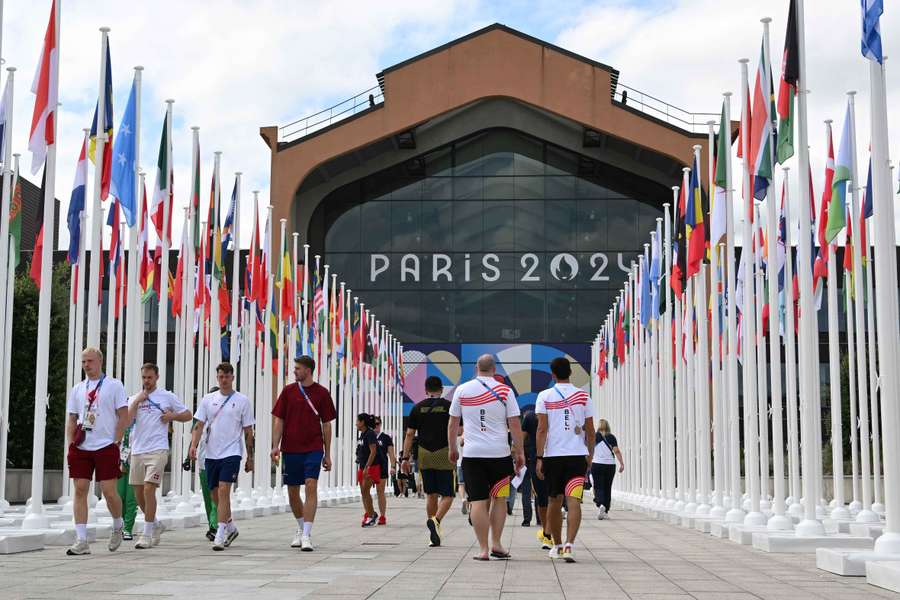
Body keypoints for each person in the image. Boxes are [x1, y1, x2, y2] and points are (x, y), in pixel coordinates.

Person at [448, 354, 525, 561]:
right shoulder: (505, 391)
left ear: (476, 368)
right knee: (499, 498)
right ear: (494, 369)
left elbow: (453, 423)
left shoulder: (462, 390)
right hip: (499, 454)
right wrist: (519, 452)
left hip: (472, 455)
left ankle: (483, 549)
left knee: (478, 501)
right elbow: (515, 424)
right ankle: (497, 544)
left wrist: (452, 448)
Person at [65, 347, 129, 556]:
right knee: (80, 489)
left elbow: (123, 415)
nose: (86, 365)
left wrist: (117, 441)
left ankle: (118, 525)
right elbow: (72, 418)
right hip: (82, 446)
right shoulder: (77, 389)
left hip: (105, 445)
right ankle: (81, 539)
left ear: (100, 361)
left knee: (109, 492)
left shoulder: (113, 385)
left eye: (90, 361)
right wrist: (70, 443)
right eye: (83, 362)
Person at [270, 355, 336, 552]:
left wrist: (327, 454)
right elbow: (279, 421)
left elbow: (327, 425)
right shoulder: (288, 391)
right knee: (292, 491)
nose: (294, 371)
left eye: (297, 368)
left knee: (310, 485)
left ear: (308, 370)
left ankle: (306, 534)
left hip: (313, 448)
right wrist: (275, 446)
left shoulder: (322, 393)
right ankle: (301, 527)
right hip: (290, 448)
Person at [535, 357, 596, 563]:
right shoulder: (583, 396)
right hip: (577, 456)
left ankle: (558, 545)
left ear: (553, 374)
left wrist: (539, 457)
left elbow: (542, 429)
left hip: (553, 457)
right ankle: (570, 544)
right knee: (574, 500)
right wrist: (590, 455)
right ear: (570, 372)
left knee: (554, 500)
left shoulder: (544, 396)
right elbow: (590, 430)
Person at [189, 362, 255, 551]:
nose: (224, 380)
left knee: (225, 490)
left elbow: (249, 431)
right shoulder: (208, 399)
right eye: (221, 376)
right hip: (211, 453)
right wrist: (193, 446)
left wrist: (250, 457)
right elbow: (199, 425)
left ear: (233, 378)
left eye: (227, 376)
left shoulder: (242, 400)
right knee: (215, 495)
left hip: (232, 452)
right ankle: (231, 527)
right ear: (217, 378)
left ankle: (220, 533)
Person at [127, 362, 192, 549]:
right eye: (144, 377)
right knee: (138, 494)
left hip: (158, 449)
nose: (146, 381)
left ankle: (146, 533)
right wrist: (138, 400)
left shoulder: (167, 396)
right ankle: (155, 524)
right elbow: (127, 420)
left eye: (149, 377)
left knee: (149, 489)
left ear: (157, 377)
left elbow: (187, 414)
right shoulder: (135, 398)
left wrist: (172, 417)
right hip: (138, 450)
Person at [402, 376, 455, 547]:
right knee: (448, 494)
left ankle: (434, 532)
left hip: (424, 454)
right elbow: (457, 429)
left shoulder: (417, 408)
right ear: (441, 390)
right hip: (444, 453)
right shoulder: (449, 406)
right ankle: (436, 521)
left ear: (426, 390)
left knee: (430, 494)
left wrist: (404, 458)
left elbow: (410, 434)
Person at [520, 407, 551, 547]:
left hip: (532, 460)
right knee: (554, 497)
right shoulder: (555, 415)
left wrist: (518, 456)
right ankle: (548, 531)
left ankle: (546, 532)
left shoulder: (530, 418)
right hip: (554, 458)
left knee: (539, 496)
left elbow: (521, 438)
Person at [591, 418, 625, 520]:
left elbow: (589, 450)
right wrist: (622, 463)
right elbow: (616, 451)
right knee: (607, 487)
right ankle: (605, 510)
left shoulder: (595, 437)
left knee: (598, 486)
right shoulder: (611, 437)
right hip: (610, 465)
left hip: (597, 464)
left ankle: (600, 504)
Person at [356, 413, 380, 526]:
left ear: (362, 422)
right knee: (363, 492)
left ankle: (371, 516)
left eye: (357, 421)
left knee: (365, 491)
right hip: (362, 466)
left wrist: (367, 467)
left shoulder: (370, 434)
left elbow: (373, 451)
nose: (356, 423)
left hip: (370, 467)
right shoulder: (362, 434)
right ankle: (371, 514)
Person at [115, 427, 138, 541]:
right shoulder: (118, 423)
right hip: (119, 464)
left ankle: (128, 528)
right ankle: (122, 524)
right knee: (119, 495)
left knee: (131, 498)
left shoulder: (138, 421)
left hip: (135, 462)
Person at [373, 416, 395, 525]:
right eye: (374, 424)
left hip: (381, 467)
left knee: (380, 491)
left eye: (377, 424)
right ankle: (370, 513)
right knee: (365, 491)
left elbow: (391, 453)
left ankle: (382, 516)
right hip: (369, 467)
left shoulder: (386, 438)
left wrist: (393, 466)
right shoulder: (367, 436)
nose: (376, 426)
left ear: (380, 425)